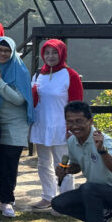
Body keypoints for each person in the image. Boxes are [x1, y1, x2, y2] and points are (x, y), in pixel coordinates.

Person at [30, 39, 83, 209]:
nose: (50, 56)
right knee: (43, 162)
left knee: (63, 164)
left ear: (61, 54)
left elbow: (77, 104)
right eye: (47, 52)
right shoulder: (39, 75)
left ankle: (66, 201)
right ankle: (48, 196)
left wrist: (73, 128)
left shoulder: (70, 75)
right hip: (41, 125)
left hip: (62, 127)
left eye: (54, 52)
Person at [0, 36, 33, 218]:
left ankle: (8, 200)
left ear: (12, 52)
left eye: (6, 50)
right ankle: (2, 197)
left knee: (10, 162)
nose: (2, 53)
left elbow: (19, 99)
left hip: (15, 123)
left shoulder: (19, 70)